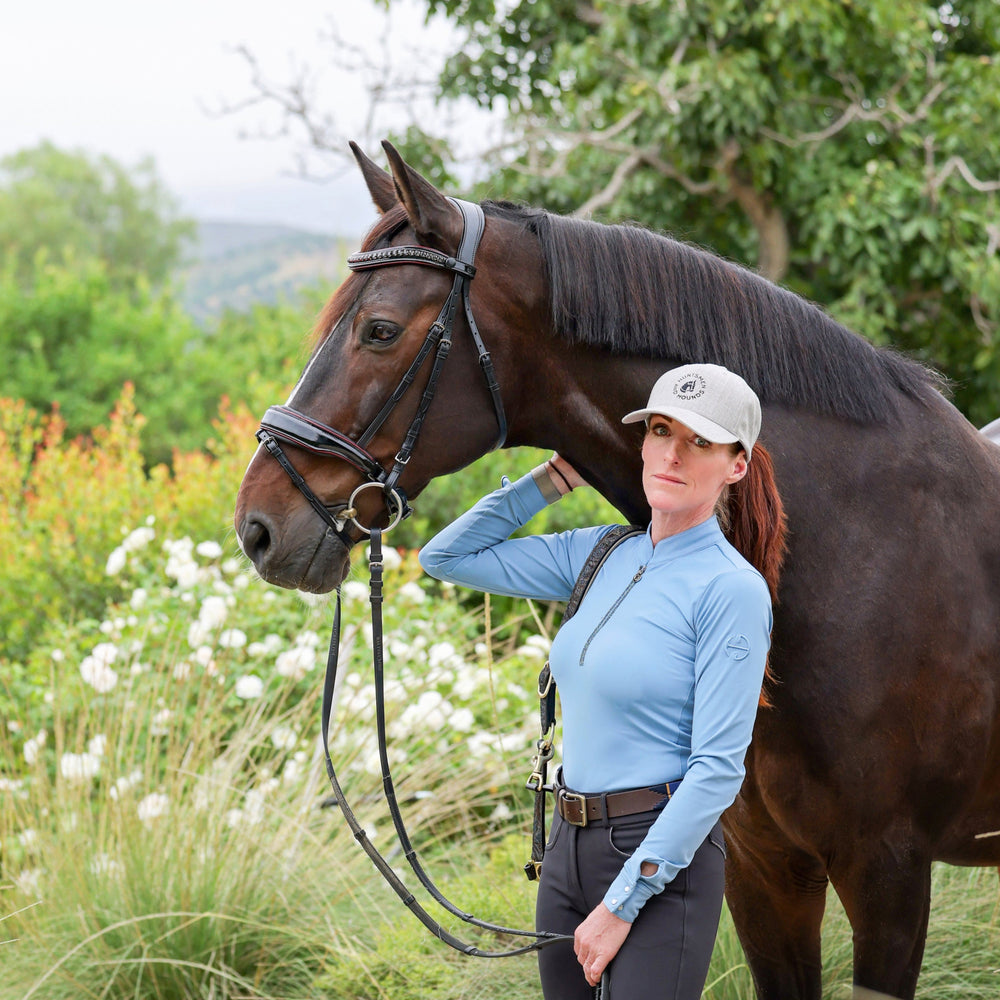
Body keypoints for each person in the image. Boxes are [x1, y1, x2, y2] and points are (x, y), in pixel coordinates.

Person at [419, 363, 786, 999]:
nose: (672, 454)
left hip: (658, 855)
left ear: (736, 465)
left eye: (699, 441)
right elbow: (446, 556)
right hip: (567, 846)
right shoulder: (602, 554)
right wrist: (554, 478)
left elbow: (718, 771)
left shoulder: (731, 590)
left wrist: (622, 903)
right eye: (661, 431)